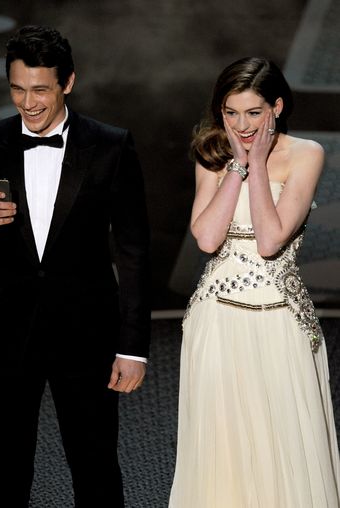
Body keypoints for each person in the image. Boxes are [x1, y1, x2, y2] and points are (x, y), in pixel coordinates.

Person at [0, 25, 150, 508]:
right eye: (18, 88)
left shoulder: (111, 145)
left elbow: (135, 252)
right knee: (3, 470)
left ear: (68, 83)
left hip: (87, 334)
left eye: (40, 89)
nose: (28, 102)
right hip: (5, 335)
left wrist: (132, 348)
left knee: (96, 468)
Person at [169, 57, 340, 507]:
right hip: (216, 321)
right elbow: (206, 238)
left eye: (253, 112)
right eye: (231, 113)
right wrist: (237, 167)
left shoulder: (307, 154)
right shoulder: (212, 154)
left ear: (277, 107)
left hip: (279, 321)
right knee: (221, 447)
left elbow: (269, 239)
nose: (241, 125)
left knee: (282, 441)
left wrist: (259, 164)